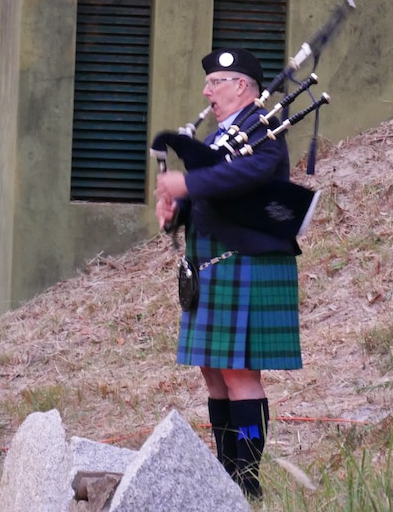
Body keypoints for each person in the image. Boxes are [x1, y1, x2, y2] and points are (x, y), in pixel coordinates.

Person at [154, 48, 302, 499]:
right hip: (213, 263)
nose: (207, 91)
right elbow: (215, 193)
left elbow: (246, 179)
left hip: (248, 262)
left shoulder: (263, 131)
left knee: (239, 374)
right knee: (213, 371)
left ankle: (247, 482)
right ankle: (225, 473)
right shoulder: (223, 136)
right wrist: (176, 210)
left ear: (242, 86)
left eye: (216, 81)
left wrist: (188, 184)